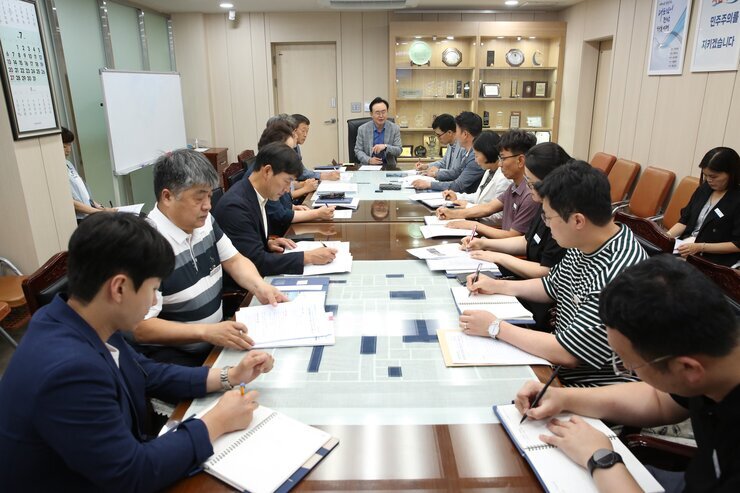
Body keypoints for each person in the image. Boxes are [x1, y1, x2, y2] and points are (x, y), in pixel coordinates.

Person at [0, 212, 275, 492]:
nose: (154, 300)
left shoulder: (79, 317)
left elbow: (146, 372)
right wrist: (216, 422)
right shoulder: (69, 371)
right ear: (119, 288)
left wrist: (229, 376)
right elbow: (132, 474)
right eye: (153, 289)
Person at [513, 255, 740, 493]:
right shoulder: (712, 350)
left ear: (688, 369)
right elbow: (659, 399)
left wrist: (600, 458)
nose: (625, 368)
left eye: (629, 365)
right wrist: (563, 397)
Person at [460, 161, 648, 387]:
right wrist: (498, 286)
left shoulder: (617, 273)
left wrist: (495, 327)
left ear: (578, 220)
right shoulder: (587, 242)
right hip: (558, 364)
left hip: (591, 386)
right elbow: (552, 285)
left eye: (548, 218)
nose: (547, 226)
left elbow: (568, 352)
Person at [131, 149, 287, 367]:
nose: (208, 206)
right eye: (199, 198)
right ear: (167, 197)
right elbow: (140, 327)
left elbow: (234, 260)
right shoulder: (147, 245)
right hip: (179, 361)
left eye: (209, 196)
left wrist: (260, 287)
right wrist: (205, 332)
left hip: (215, 343)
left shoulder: (204, 222)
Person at [460, 142, 570, 328]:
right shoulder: (545, 204)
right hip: (532, 289)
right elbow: (528, 243)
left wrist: (495, 328)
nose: (528, 187)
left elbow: (547, 273)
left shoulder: (562, 218)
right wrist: (485, 245)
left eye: (531, 182)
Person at [213, 142, 337, 276]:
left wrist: (267, 243)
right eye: (287, 181)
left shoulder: (255, 194)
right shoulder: (235, 207)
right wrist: (308, 257)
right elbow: (257, 263)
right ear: (267, 171)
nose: (287, 189)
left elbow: (243, 247)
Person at [439, 129, 538, 240]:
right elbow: (488, 208)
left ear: (520, 160)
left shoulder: (529, 195)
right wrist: (452, 213)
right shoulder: (513, 187)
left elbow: (513, 236)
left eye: (503, 158)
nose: (500, 164)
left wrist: (473, 225)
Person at [252, 121, 335, 236]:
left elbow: (280, 205)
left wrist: (292, 207)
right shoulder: (263, 179)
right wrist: (316, 213)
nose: (292, 155)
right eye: (288, 150)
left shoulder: (271, 175)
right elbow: (279, 215)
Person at [665, 147, 740, 266]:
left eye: (713, 176)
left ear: (731, 174)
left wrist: (700, 247)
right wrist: (666, 237)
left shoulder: (737, 199)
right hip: (686, 247)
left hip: (713, 258)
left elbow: (737, 244)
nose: (709, 180)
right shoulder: (704, 189)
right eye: (705, 175)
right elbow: (684, 221)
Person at [439, 130, 511, 227]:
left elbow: (499, 216)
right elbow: (478, 197)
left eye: (477, 156)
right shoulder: (489, 171)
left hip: (488, 228)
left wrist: (468, 207)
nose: (476, 160)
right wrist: (457, 197)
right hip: (478, 222)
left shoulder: (504, 178)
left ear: (487, 153)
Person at [412, 111, 485, 193]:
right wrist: (432, 172)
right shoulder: (470, 152)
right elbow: (457, 172)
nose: (455, 135)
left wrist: (429, 184)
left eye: (456, 131)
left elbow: (458, 185)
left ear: (465, 134)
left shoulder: (475, 156)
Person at [62, 126, 115, 222]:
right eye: (64, 146)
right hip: (78, 218)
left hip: (88, 214)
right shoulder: (57, 170)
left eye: (69, 145)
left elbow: (83, 193)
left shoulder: (68, 163)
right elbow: (71, 202)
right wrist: (100, 212)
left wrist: (100, 207)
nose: (68, 150)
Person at [354, 97, 402, 169]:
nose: (381, 116)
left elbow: (399, 150)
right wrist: (369, 160)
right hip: (368, 166)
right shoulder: (362, 129)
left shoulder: (394, 128)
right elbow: (358, 150)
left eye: (383, 112)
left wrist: (385, 147)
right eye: (377, 113)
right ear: (371, 114)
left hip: (388, 167)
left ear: (387, 112)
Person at [292, 113, 341, 181]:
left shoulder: (296, 145)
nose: (305, 135)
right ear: (293, 130)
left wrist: (323, 174)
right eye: (303, 131)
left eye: (307, 131)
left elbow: (302, 170)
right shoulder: (286, 148)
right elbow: (301, 174)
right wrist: (325, 176)